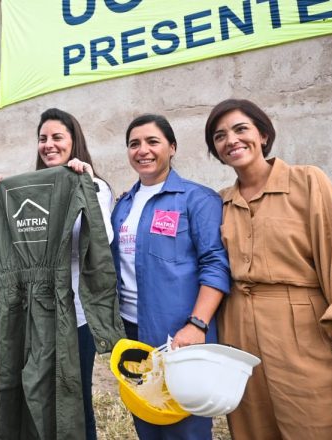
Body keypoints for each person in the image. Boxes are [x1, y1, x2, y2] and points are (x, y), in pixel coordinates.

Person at [204, 99, 332, 439]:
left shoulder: (308, 182)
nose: (231, 140)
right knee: (253, 429)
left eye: (241, 129)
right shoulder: (220, 202)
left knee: (317, 425)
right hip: (238, 331)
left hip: (302, 329)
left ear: (264, 135)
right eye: (220, 136)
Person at [0, 108, 113, 440]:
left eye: (58, 137)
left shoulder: (93, 184)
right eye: (43, 138)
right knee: (32, 395)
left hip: (76, 315)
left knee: (73, 398)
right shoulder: (24, 191)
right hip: (30, 313)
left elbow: (103, 239)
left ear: (74, 142)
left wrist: (83, 185)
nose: (49, 144)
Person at [110, 114, 231, 439]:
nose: (142, 150)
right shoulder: (124, 205)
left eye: (152, 142)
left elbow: (215, 264)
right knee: (147, 418)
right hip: (134, 330)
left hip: (180, 333)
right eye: (134, 144)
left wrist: (197, 324)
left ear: (172, 147)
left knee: (185, 426)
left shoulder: (197, 199)